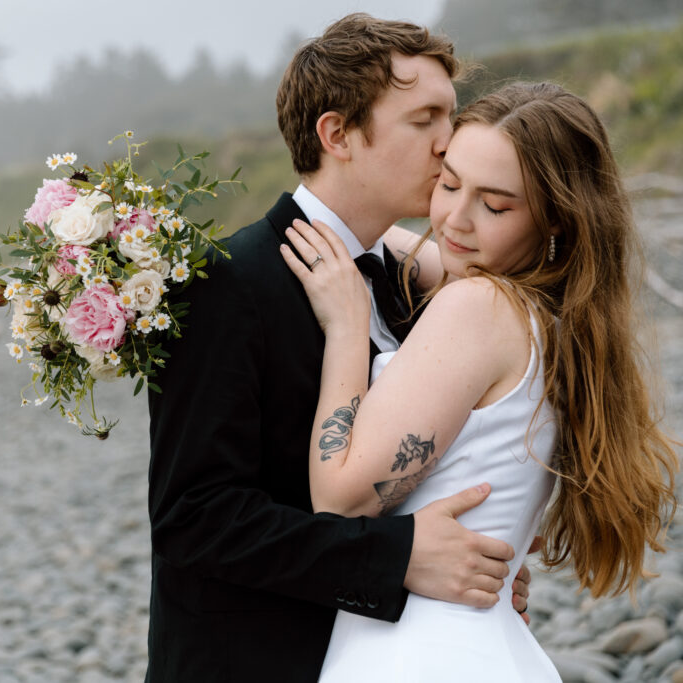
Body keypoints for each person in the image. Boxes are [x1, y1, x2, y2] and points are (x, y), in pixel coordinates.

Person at [146, 14, 534, 682]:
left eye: (454, 114)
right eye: (425, 120)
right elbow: (193, 517)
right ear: (338, 134)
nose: (452, 142)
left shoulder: (410, 278)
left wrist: (482, 550)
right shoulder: (229, 281)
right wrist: (396, 556)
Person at [280, 81, 679, 681]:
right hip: (483, 645)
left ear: (556, 224)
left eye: (495, 206)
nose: (454, 221)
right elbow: (385, 238)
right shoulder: (556, 316)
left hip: (416, 654)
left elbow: (339, 500)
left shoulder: (477, 307)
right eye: (447, 184)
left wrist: (346, 327)